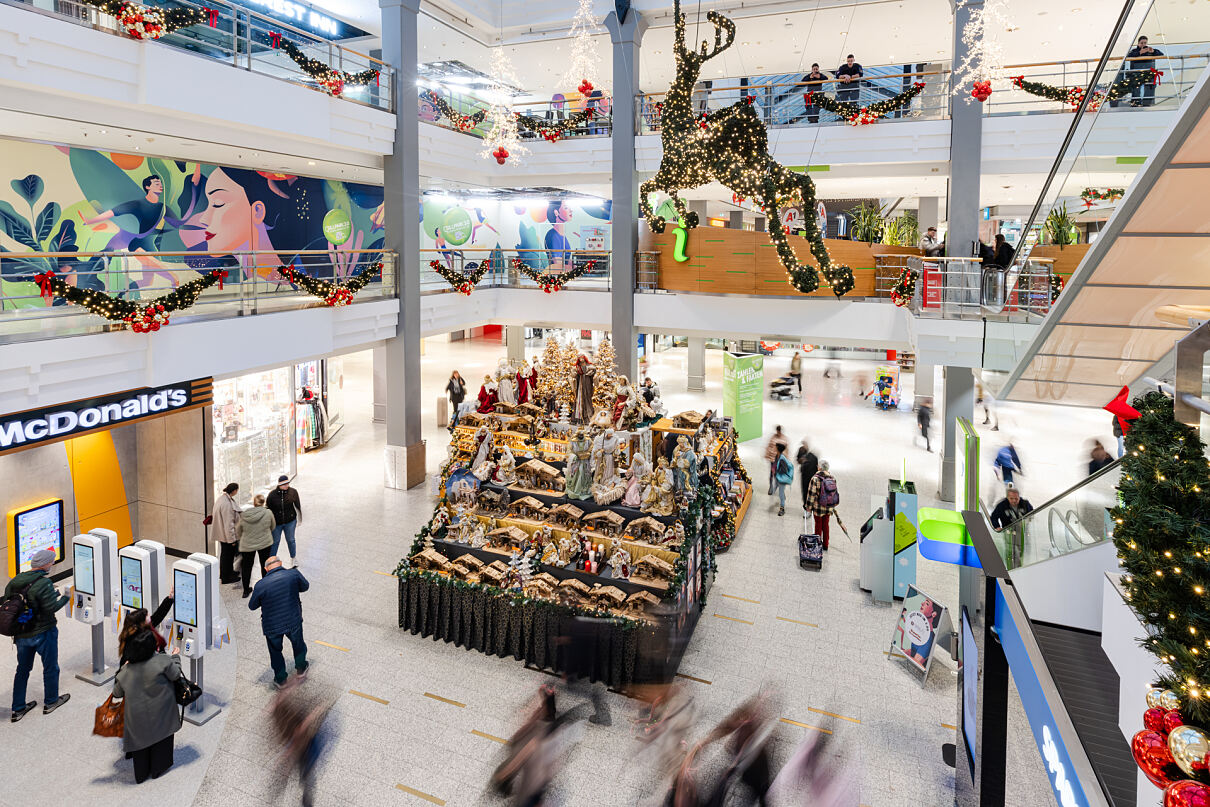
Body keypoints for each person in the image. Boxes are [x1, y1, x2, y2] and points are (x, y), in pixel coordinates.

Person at [6, 548, 71, 722]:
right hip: (44, 632)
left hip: (21, 634)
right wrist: (66, 597)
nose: (52, 564)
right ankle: (51, 702)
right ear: (45, 564)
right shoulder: (44, 583)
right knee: (50, 667)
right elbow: (52, 608)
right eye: (51, 561)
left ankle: (18, 708)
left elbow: (9, 602)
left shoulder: (15, 581)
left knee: (22, 670)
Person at [112, 630, 183, 783]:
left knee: (141, 750)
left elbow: (116, 693)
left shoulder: (126, 671)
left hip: (137, 721)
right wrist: (176, 657)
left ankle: (142, 773)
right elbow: (176, 674)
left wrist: (121, 669)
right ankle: (158, 769)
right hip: (163, 714)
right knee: (162, 745)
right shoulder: (162, 661)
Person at [249, 556, 310, 688]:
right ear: (281, 564)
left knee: (275, 652)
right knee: (298, 644)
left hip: (272, 625)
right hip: (293, 619)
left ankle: (281, 679)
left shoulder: (261, 585)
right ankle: (301, 669)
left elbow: (252, 606)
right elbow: (305, 586)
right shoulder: (293, 574)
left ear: (266, 569)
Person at [117, 593, 175, 666]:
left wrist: (170, 598)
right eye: (147, 616)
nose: (149, 617)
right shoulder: (137, 641)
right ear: (142, 623)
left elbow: (159, 614)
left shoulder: (140, 630)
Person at [238, 493, 276, 598]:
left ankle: (246, 590)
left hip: (247, 545)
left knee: (246, 567)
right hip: (264, 543)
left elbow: (239, 530)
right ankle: (265, 588)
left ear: (254, 503)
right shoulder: (268, 513)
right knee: (265, 565)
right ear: (263, 502)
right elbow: (273, 526)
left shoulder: (245, 515)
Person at [266, 475, 302, 563]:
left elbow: (297, 505)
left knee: (291, 540)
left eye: (287, 483)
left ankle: (293, 558)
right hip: (276, 523)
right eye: (284, 484)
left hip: (290, 521)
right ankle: (272, 561)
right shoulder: (272, 495)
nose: (286, 486)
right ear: (279, 485)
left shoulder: (293, 492)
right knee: (275, 542)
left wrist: (299, 518)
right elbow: (268, 508)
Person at [806, 460, 839, 550]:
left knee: (818, 525)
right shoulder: (832, 478)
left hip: (818, 507)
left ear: (819, 468)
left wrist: (808, 507)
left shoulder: (815, 479)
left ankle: (817, 543)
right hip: (828, 507)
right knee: (826, 525)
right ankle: (826, 545)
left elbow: (811, 494)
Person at [213, 481, 241, 584]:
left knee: (226, 556)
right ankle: (226, 577)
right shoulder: (227, 504)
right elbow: (229, 525)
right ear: (234, 491)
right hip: (227, 537)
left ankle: (228, 573)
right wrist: (232, 540)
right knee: (227, 557)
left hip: (222, 534)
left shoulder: (222, 498)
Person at [1125, 36, 1163, 107]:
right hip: (1136, 73)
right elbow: (1129, 56)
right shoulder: (1134, 51)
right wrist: (1139, 52)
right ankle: (1135, 102)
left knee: (1150, 86)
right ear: (1138, 43)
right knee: (1136, 88)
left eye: (1145, 43)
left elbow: (1161, 54)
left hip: (1148, 73)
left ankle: (1147, 103)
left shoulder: (1150, 50)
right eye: (1141, 43)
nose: (1143, 44)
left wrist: (1153, 51)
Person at [763, 426, 790, 494]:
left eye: (779, 432)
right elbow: (769, 446)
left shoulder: (784, 439)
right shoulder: (773, 437)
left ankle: (779, 487)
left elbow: (786, 450)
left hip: (781, 460)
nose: (778, 433)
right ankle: (771, 487)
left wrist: (786, 459)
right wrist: (767, 455)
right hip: (773, 459)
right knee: (772, 473)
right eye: (777, 431)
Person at [796, 439, 819, 511]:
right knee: (806, 492)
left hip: (810, 477)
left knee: (807, 492)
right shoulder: (802, 452)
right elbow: (798, 460)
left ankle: (808, 507)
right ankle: (807, 507)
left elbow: (817, 467)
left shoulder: (813, 457)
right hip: (806, 477)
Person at [772, 443, 794, 517]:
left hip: (782, 478)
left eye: (775, 447)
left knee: (780, 493)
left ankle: (782, 508)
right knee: (775, 489)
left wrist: (777, 470)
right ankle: (783, 498)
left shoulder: (782, 459)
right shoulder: (777, 456)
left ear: (778, 449)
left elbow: (784, 470)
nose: (774, 448)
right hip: (778, 477)